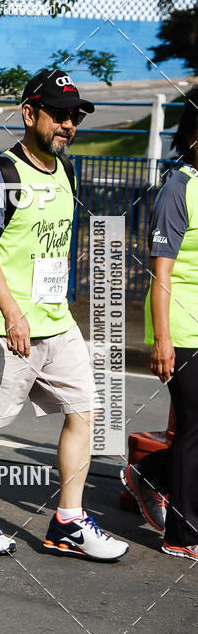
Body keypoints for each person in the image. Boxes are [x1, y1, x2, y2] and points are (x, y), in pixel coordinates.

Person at [0, 69, 129, 562]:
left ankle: (69, 521)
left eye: (75, 116)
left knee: (84, 411)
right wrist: (13, 314)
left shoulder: (66, 171)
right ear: (29, 114)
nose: (68, 124)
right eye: (59, 114)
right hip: (6, 325)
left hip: (57, 321)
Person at [123, 85, 198, 559]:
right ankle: (182, 535)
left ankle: (149, 474)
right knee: (194, 424)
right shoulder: (178, 188)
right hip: (183, 325)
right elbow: (162, 272)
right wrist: (163, 340)